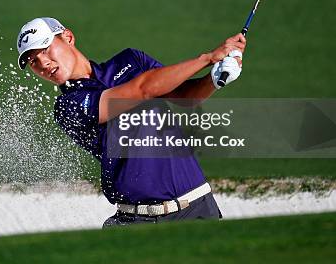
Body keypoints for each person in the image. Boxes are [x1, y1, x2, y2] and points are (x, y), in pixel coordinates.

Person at [16, 17, 245, 227]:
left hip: (197, 207)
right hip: (137, 221)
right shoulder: (68, 106)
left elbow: (186, 97)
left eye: (45, 49)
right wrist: (206, 58)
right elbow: (142, 90)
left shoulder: (131, 60)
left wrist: (214, 79)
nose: (42, 63)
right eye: (33, 61)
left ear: (68, 37)